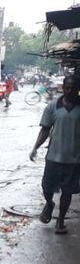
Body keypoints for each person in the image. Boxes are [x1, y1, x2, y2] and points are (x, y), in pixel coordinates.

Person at [29, 75, 80, 234]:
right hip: (53, 157)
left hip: (73, 159)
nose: (70, 90)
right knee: (46, 187)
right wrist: (35, 147)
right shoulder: (52, 106)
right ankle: (49, 204)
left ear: (78, 90)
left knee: (67, 191)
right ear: (63, 88)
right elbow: (45, 129)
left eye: (73, 88)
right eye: (67, 87)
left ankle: (60, 221)